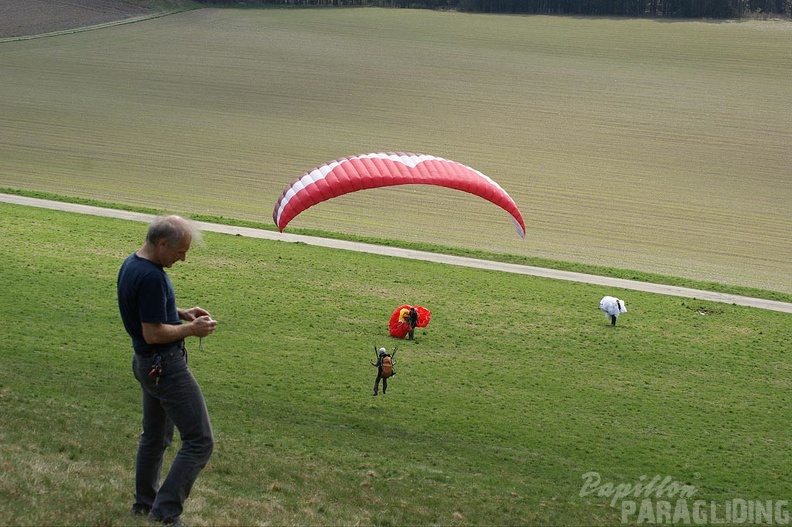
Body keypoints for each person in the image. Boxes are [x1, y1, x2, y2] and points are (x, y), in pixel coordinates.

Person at [117, 215, 218, 526]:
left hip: (144, 363)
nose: (183, 258)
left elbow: (146, 308)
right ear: (161, 244)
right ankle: (166, 511)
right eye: (179, 252)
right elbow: (153, 333)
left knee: (155, 437)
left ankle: (144, 504)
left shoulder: (133, 264)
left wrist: (180, 311)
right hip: (164, 366)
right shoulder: (153, 277)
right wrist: (191, 329)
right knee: (200, 440)